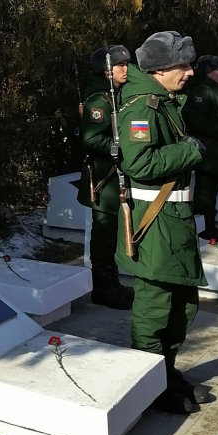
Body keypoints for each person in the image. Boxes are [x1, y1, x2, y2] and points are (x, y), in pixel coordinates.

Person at [115, 31, 212, 415]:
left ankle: (165, 373)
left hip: (174, 222)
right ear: (158, 69)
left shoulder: (164, 101)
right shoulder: (142, 107)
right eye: (182, 65)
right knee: (155, 310)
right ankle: (151, 386)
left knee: (183, 307)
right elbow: (138, 164)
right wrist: (187, 151)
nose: (190, 72)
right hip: (155, 226)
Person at [77, 44, 134, 309]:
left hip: (113, 179)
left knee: (111, 235)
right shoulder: (98, 101)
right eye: (120, 65)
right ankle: (102, 288)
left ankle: (112, 282)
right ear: (106, 71)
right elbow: (91, 140)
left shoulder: (115, 96)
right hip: (102, 179)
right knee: (103, 235)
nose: (126, 69)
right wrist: (121, 149)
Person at [184, 55, 218, 243]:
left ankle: (210, 227)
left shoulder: (217, 90)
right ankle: (206, 229)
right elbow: (196, 121)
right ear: (208, 73)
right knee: (205, 193)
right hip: (210, 153)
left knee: (211, 191)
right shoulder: (202, 93)